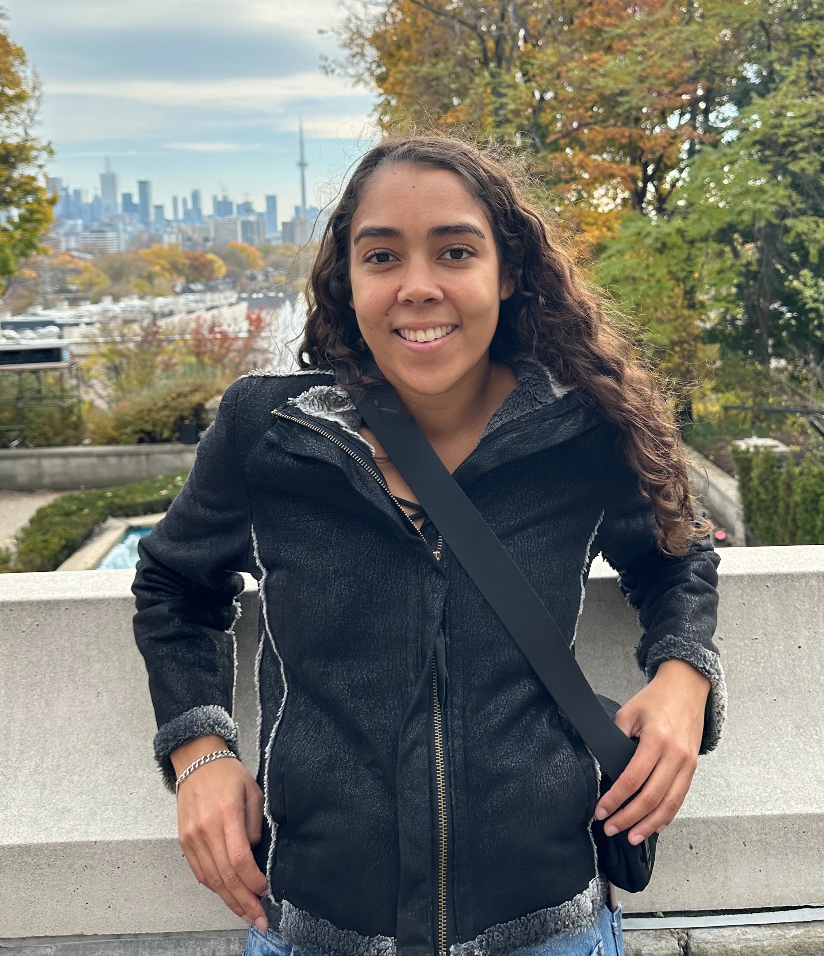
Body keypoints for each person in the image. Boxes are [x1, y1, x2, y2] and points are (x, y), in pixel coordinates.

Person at [132, 135, 726, 956]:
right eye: (382, 256)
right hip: (313, 925)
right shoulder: (268, 432)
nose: (418, 287)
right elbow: (175, 587)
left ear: (507, 272)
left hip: (552, 925)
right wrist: (199, 753)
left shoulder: (579, 429)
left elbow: (675, 556)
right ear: (350, 280)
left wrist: (683, 677)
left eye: (454, 251)